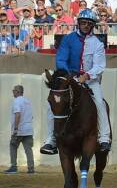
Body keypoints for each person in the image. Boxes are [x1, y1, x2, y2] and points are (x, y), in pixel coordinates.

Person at [40, 9, 111, 155]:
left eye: (88, 23)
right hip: (69, 78)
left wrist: (87, 75)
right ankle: (51, 140)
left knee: (99, 102)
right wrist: (68, 76)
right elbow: (61, 59)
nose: (85, 25)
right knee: (51, 105)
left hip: (89, 80)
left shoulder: (97, 44)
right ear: (78, 23)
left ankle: (104, 138)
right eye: (83, 23)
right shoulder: (68, 39)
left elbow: (99, 66)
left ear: (92, 26)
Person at [6, 85, 34, 174]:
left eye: (14, 90)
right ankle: (31, 169)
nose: (13, 92)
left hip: (20, 130)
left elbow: (18, 114)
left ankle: (13, 167)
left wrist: (15, 129)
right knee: (28, 149)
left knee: (13, 146)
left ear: (17, 91)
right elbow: (31, 116)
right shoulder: (28, 102)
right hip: (29, 129)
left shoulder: (16, 101)